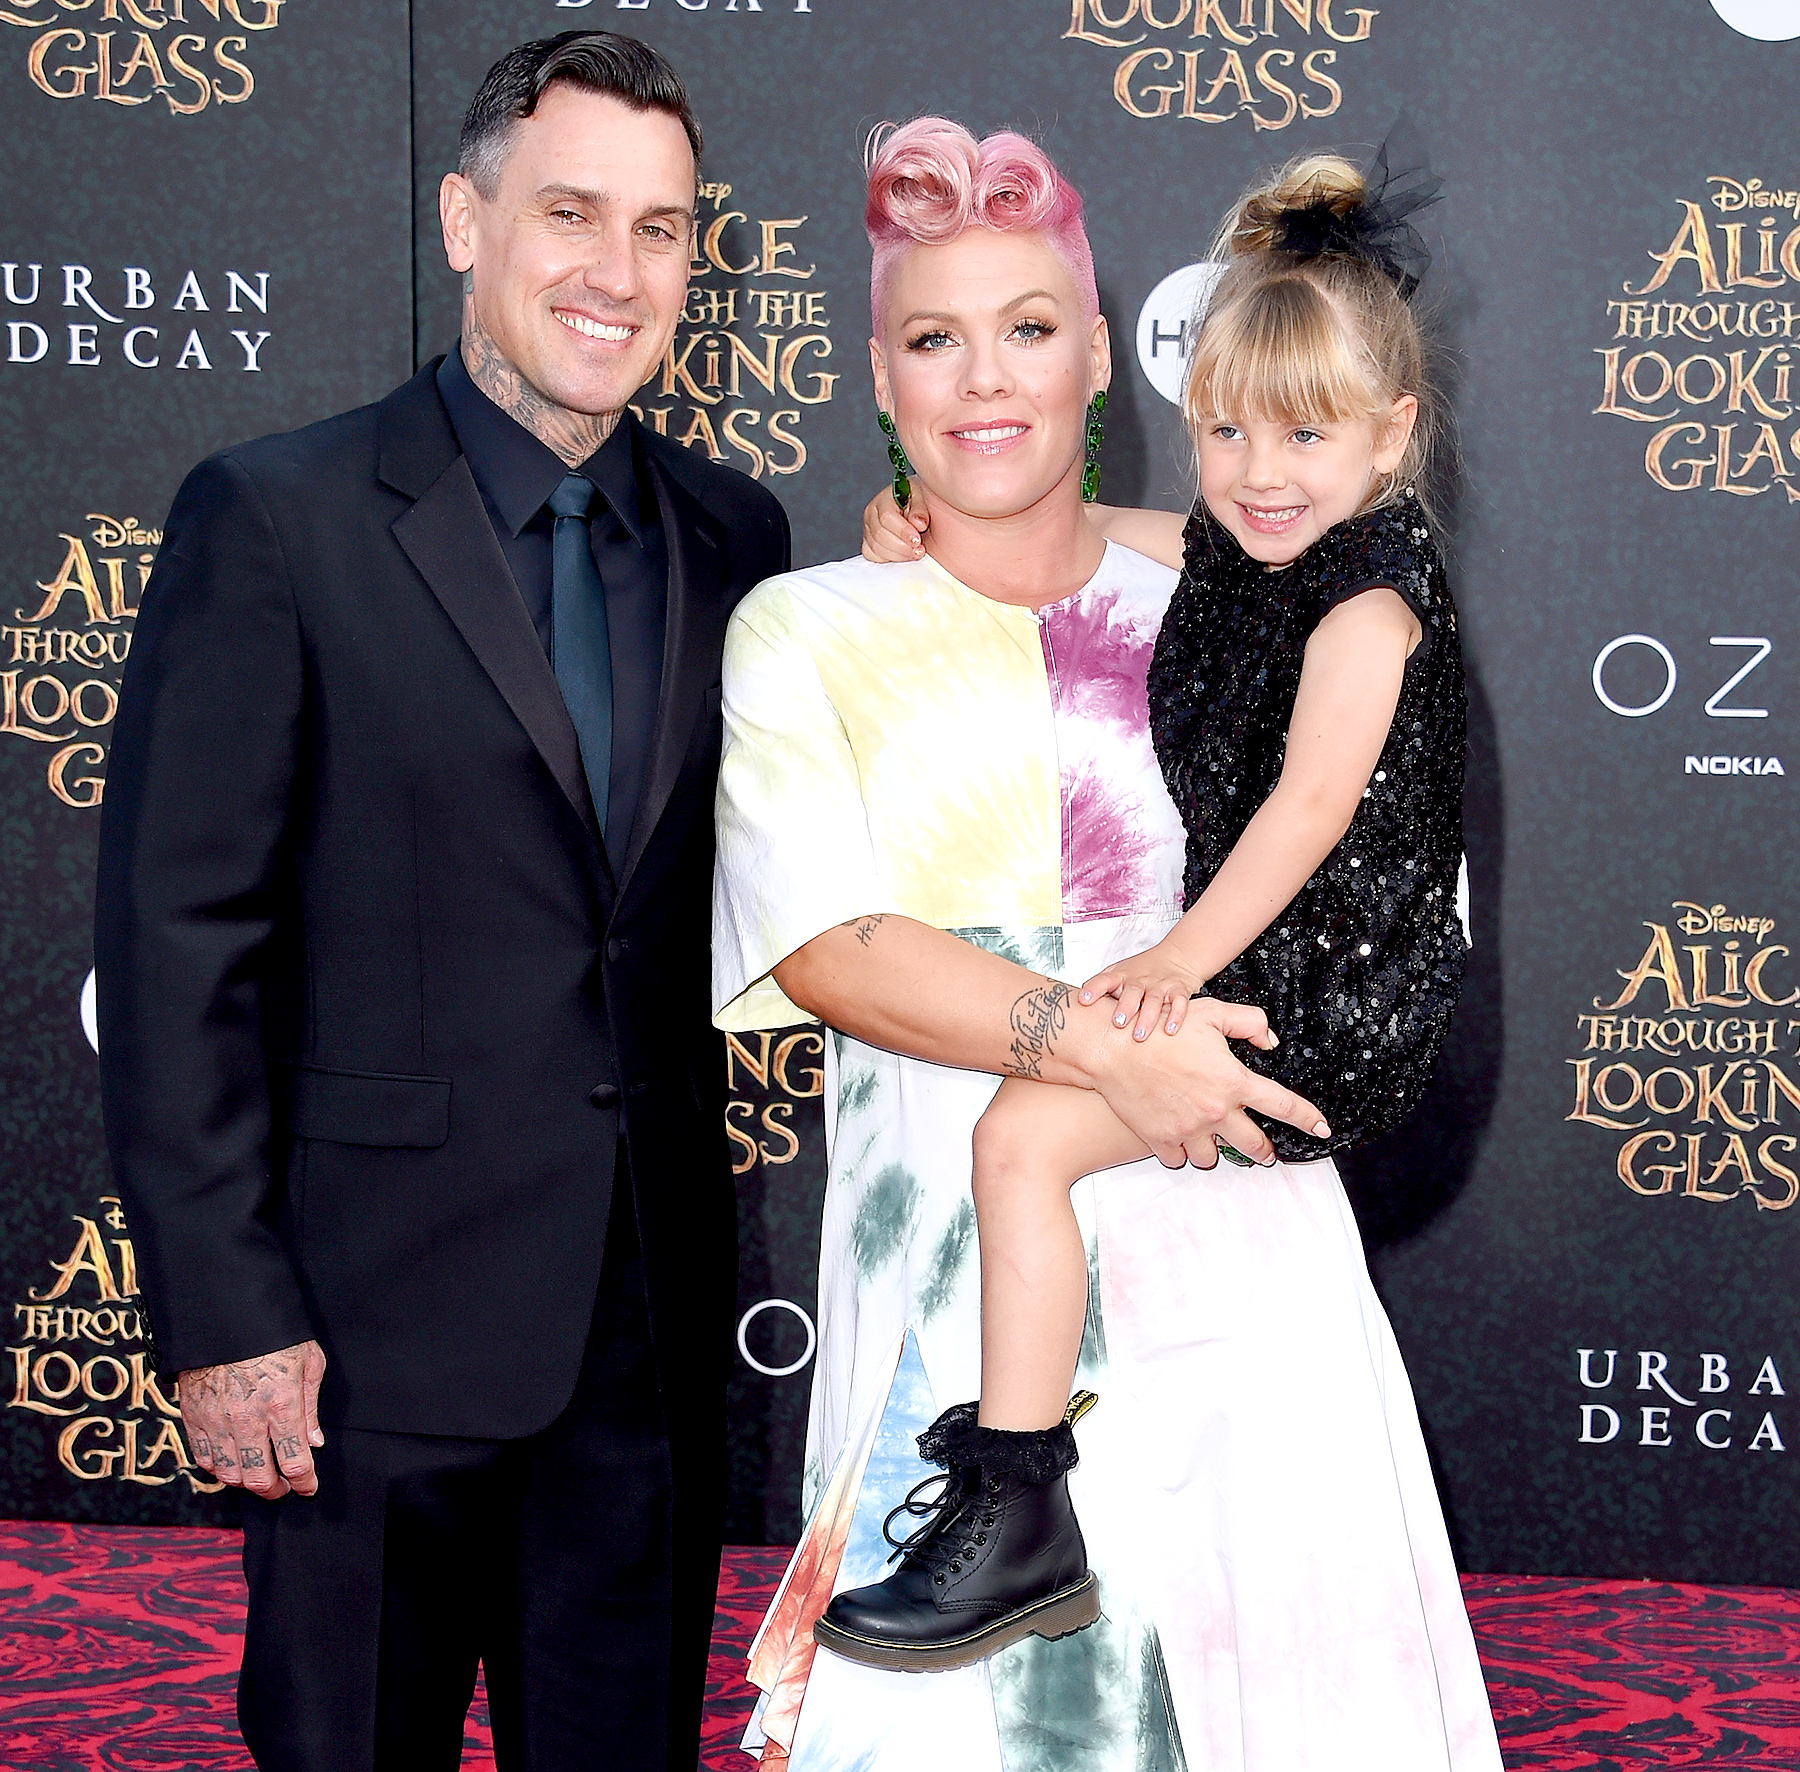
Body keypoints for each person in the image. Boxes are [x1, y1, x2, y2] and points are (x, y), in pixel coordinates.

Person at [714, 118, 1494, 1771]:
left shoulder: (1244, 588)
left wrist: (1176, 1036)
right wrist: (1103, 1045)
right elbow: (828, 949)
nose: (984, 378)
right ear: (881, 372)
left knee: (1261, 1695)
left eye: (1026, 328)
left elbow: (1361, 845)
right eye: (934, 338)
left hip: (1226, 1196)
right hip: (953, 1231)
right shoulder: (810, 623)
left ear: (1093, 354)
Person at [94, 30, 787, 1772]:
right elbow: (179, 949)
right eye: (570, 213)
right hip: (358, 1349)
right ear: (466, 222)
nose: (617, 271)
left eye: (660, 229)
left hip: (641, 1347)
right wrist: (229, 1315)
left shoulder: (738, 540)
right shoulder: (276, 518)